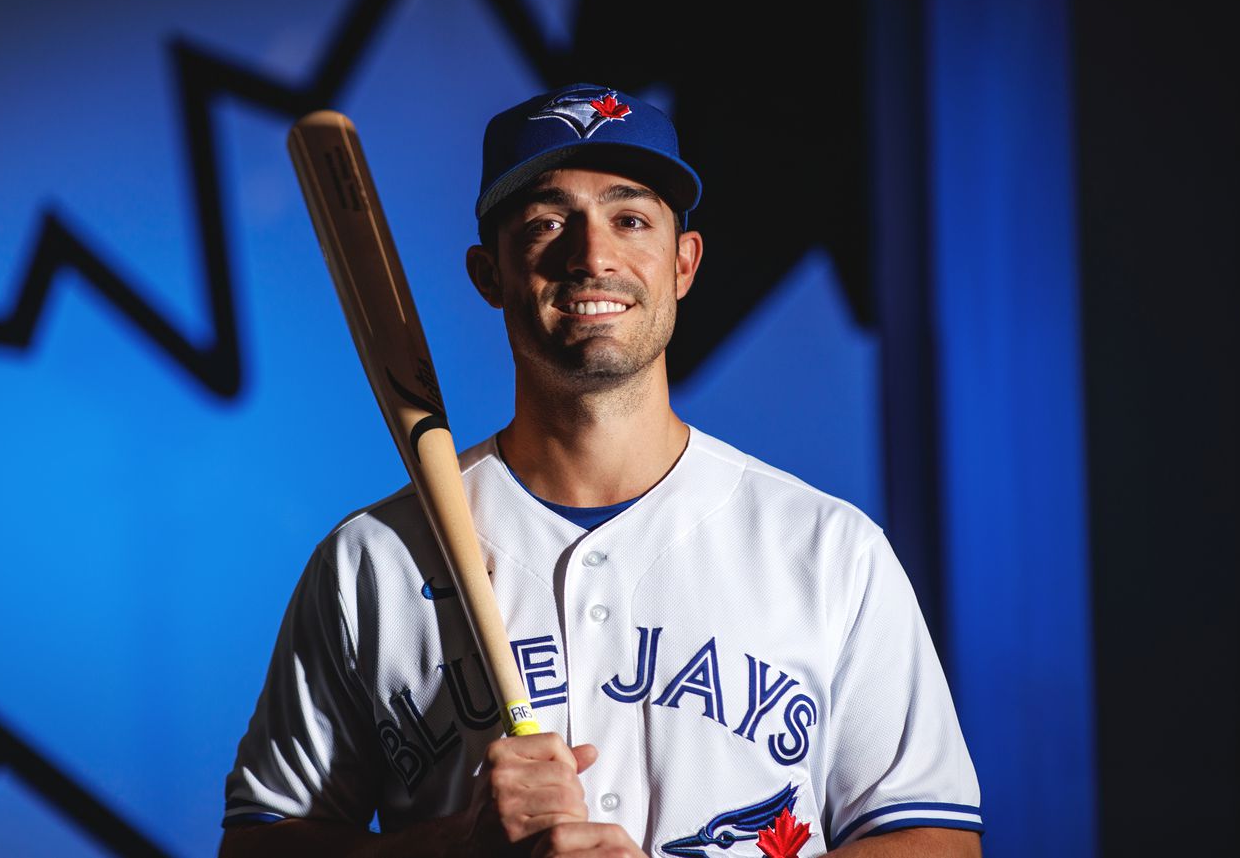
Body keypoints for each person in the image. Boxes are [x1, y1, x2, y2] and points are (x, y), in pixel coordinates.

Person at [220, 83, 983, 858]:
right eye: (549, 221)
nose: (593, 255)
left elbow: (937, 843)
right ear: (489, 274)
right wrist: (457, 847)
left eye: (630, 219)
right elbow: (255, 847)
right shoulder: (370, 561)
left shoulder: (829, 551)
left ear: (683, 263)